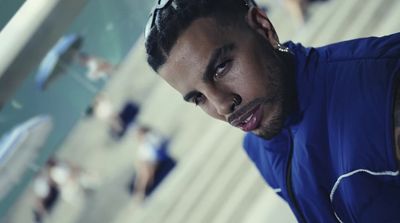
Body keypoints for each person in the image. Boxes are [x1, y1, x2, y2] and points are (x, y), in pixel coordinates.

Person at [143, 0, 400, 222]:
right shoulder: (259, 148)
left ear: (263, 27)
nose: (222, 107)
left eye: (221, 68)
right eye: (198, 98)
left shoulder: (386, 86)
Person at [128, 126, 176, 202]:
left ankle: (142, 192)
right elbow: (141, 158)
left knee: (146, 173)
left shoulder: (151, 137)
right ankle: (139, 192)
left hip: (156, 160)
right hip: (147, 162)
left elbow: (160, 145)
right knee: (142, 174)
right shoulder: (142, 145)